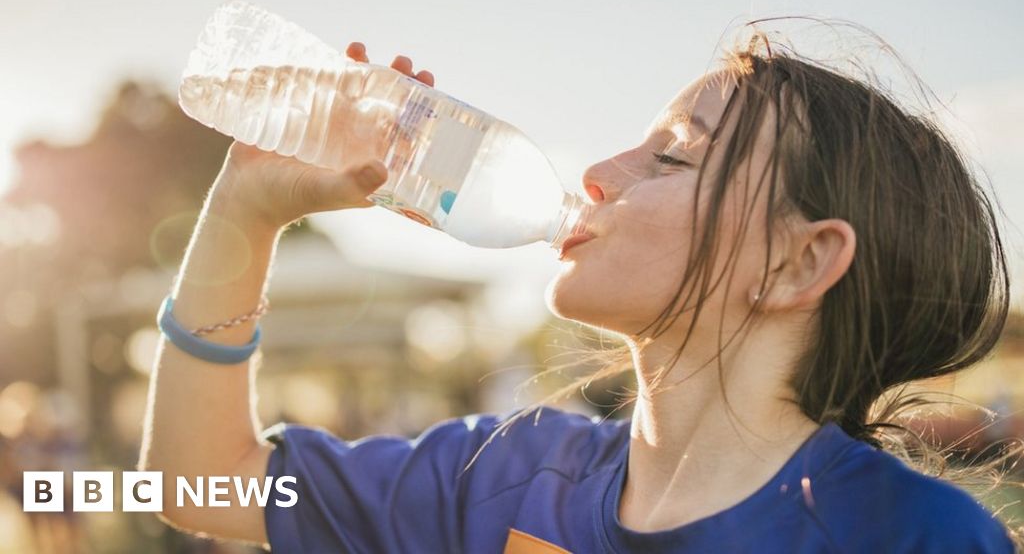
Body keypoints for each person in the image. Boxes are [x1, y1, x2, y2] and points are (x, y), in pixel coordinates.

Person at [140, 31, 1021, 553]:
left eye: (672, 156)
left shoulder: (910, 535)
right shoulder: (506, 476)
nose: (598, 171)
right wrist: (246, 210)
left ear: (797, 264)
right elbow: (196, 482)